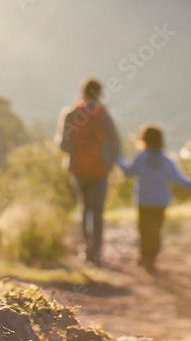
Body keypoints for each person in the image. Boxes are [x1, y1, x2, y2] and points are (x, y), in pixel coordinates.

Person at [56, 77, 122, 264]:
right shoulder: (104, 116)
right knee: (98, 211)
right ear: (100, 93)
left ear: (82, 92)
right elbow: (115, 143)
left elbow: (63, 145)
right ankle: (97, 251)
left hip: (78, 170)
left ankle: (86, 248)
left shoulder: (71, 114)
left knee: (85, 208)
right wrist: (110, 163)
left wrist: (78, 153)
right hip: (100, 170)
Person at [120, 124, 191, 274]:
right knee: (156, 230)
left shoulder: (140, 158)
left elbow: (128, 173)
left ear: (144, 140)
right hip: (160, 201)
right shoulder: (168, 161)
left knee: (144, 230)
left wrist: (118, 159)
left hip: (144, 201)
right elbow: (180, 180)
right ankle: (151, 259)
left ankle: (145, 257)